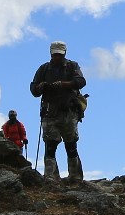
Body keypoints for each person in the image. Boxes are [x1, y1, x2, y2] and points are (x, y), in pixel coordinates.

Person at [28, 40, 88, 183]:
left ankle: (75, 177)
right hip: (50, 112)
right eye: (55, 55)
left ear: (64, 53)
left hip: (68, 112)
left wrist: (63, 84)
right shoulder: (43, 69)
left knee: (71, 145)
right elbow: (33, 89)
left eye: (59, 55)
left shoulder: (72, 66)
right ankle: (51, 178)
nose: (57, 57)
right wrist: (40, 87)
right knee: (50, 145)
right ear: (51, 53)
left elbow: (81, 81)